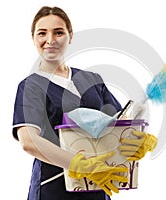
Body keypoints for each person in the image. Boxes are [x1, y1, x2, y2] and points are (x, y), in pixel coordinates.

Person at [12, 6, 157, 200]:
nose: (50, 40)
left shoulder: (92, 80)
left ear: (70, 36)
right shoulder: (31, 86)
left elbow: (120, 125)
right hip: (53, 190)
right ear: (33, 38)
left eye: (58, 32)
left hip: (98, 187)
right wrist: (81, 165)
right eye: (42, 33)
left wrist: (139, 140)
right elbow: (29, 141)